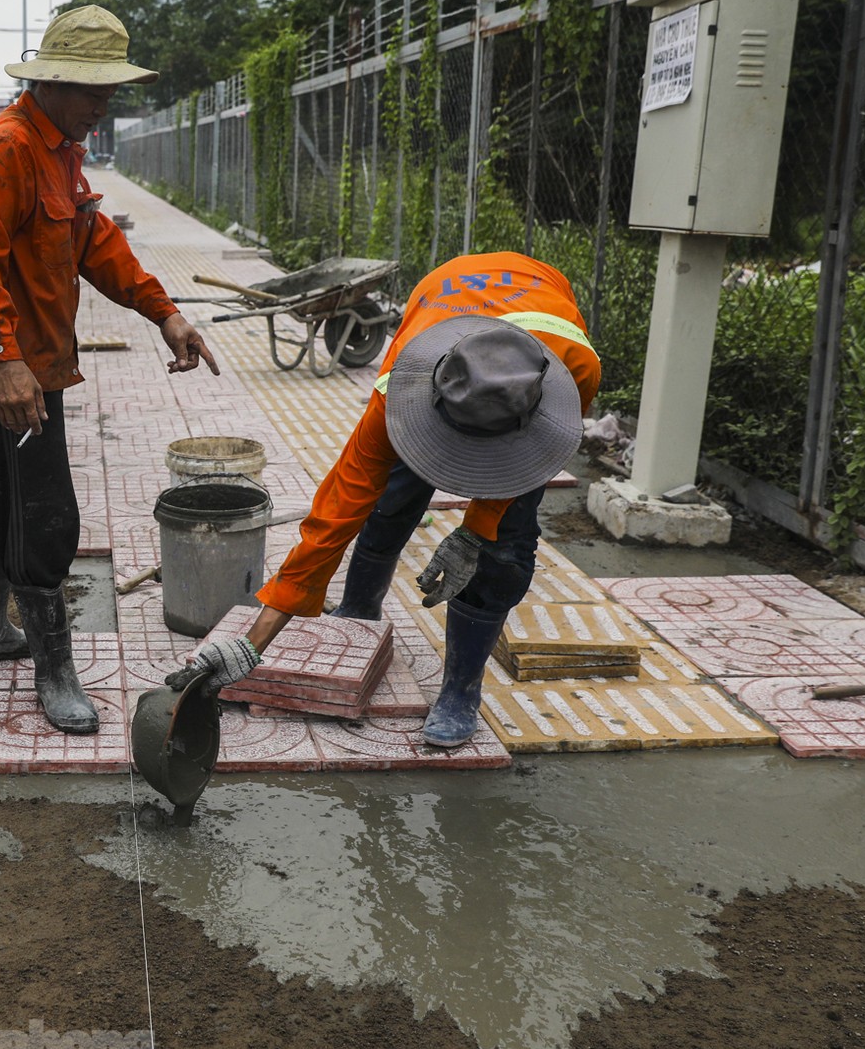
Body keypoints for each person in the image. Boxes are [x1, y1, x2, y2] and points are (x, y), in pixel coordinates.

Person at [188, 252, 601, 748]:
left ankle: (460, 691)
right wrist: (252, 644)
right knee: (389, 499)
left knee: (506, 548)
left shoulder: (573, 369)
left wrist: (477, 529)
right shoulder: (398, 387)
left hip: (537, 311)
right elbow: (336, 513)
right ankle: (361, 608)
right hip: (445, 293)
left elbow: (533, 462)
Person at [0, 4, 219, 734]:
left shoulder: (62, 148)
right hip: (8, 377)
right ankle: (54, 671)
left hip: (27, 369)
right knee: (43, 518)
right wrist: (8, 362)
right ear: (55, 81)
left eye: (111, 93)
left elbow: (96, 244)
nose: (104, 106)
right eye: (95, 93)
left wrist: (164, 311)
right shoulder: (4, 148)